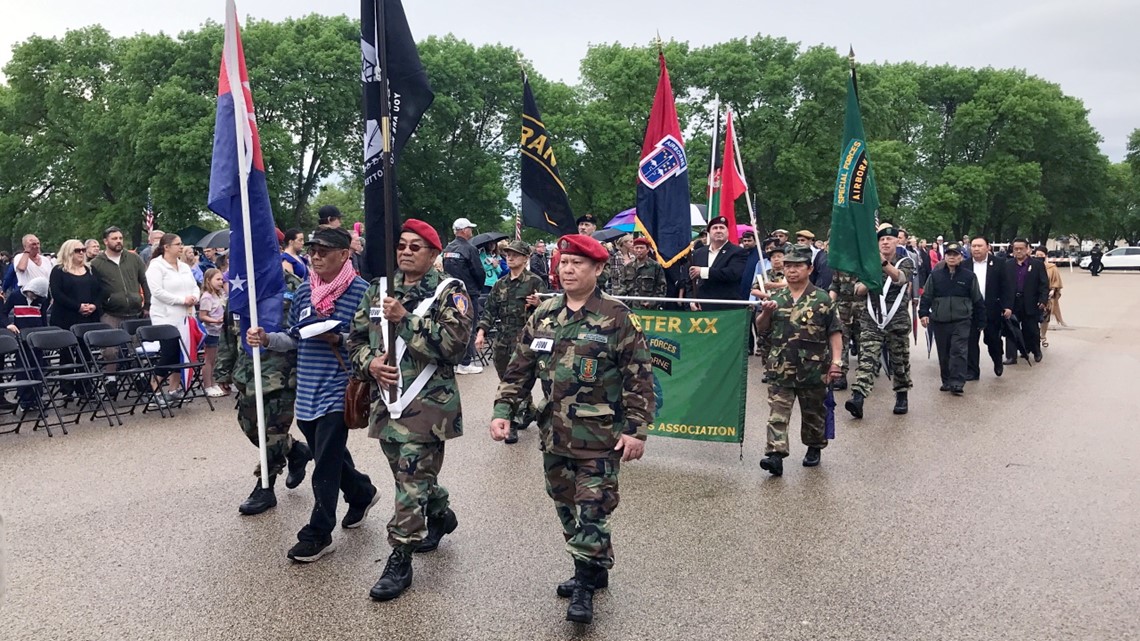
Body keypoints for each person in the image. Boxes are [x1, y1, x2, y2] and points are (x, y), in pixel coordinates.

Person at [490, 233, 653, 625]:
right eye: (564, 262)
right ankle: (594, 563)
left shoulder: (617, 317)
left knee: (594, 508)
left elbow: (640, 379)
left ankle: (583, 582)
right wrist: (503, 409)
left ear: (597, 268)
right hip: (554, 434)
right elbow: (519, 368)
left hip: (601, 437)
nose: (568, 269)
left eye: (578, 263)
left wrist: (636, 430)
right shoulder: (544, 314)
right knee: (565, 504)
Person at [347, 219, 471, 601]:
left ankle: (399, 559)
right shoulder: (378, 291)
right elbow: (353, 341)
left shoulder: (451, 291)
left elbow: (454, 347)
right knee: (410, 479)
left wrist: (406, 319)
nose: (405, 251)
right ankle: (440, 512)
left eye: (416, 247)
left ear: (434, 254)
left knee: (410, 480)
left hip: (429, 407)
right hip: (388, 407)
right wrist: (369, 363)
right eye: (401, 245)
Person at [247, 227, 377, 563]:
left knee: (327, 461)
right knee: (325, 453)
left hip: (340, 385)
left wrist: (340, 338)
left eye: (323, 250)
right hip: (307, 386)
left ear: (344, 254)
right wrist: (267, 338)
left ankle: (318, 533)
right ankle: (361, 492)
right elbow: (294, 337)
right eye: (312, 250)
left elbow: (372, 341)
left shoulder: (363, 292)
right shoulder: (305, 291)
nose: (315, 256)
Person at [215, 266, 313, 516]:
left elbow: (302, 330)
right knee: (250, 426)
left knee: (272, 432)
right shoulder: (240, 284)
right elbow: (229, 331)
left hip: (281, 374)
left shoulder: (293, 286)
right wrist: (223, 370)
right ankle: (295, 450)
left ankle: (264, 487)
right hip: (248, 373)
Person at [755, 244, 843, 476]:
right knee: (777, 414)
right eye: (788, 266)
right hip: (780, 367)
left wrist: (836, 362)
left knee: (813, 413)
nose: (792, 271)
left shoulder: (822, 299)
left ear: (809, 268)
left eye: (797, 266)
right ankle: (775, 455)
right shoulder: (777, 297)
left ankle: (814, 447)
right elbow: (761, 328)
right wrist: (765, 312)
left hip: (813, 368)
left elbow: (834, 332)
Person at [475, 239, 547, 444]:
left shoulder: (535, 282)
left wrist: (538, 303)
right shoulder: (500, 284)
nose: (510, 257)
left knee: (517, 381)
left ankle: (512, 423)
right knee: (505, 379)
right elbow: (489, 311)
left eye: (515, 254)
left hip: (524, 340)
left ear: (525, 258)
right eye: (508, 254)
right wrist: (481, 333)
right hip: (503, 340)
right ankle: (529, 409)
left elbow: (550, 311)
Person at [846, 223, 914, 418]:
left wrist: (883, 264)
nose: (885, 242)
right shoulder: (867, 264)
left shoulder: (905, 261)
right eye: (881, 239)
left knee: (899, 361)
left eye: (889, 239)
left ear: (897, 241)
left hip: (897, 320)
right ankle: (858, 397)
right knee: (867, 359)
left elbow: (900, 279)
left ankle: (901, 395)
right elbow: (857, 290)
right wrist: (869, 279)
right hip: (872, 318)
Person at [919, 243, 984, 395]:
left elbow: (977, 299)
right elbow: (927, 296)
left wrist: (981, 320)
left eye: (955, 254)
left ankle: (957, 382)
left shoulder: (969, 276)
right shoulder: (935, 276)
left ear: (961, 257)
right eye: (949, 254)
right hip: (940, 320)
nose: (952, 257)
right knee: (944, 352)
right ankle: (947, 380)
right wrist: (923, 313)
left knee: (959, 350)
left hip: (962, 320)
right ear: (945, 257)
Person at [145, 234, 200, 398]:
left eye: (181, 243)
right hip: (166, 317)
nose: (181, 247)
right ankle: (154, 386)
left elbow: (194, 286)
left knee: (182, 353)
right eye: (177, 244)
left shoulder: (184, 267)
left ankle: (174, 389)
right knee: (169, 352)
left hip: (186, 316)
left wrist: (194, 297)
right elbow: (157, 292)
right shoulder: (156, 266)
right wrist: (181, 300)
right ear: (166, 247)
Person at [48, 239, 103, 395]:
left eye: (83, 250)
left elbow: (100, 291)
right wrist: (78, 307)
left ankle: (85, 386)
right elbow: (57, 294)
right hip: (67, 316)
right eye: (77, 250)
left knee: (86, 352)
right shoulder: (59, 271)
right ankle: (66, 387)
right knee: (67, 353)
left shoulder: (90, 269)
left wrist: (94, 305)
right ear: (68, 252)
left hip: (88, 317)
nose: (81, 253)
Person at [442, 217, 484, 375]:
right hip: (468, 293)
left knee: (452, 326)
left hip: (450, 293)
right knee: (469, 327)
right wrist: (476, 288)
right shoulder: (470, 249)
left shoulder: (447, 249)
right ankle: (465, 363)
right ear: (464, 230)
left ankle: (453, 361)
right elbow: (479, 272)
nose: (471, 232)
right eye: (470, 229)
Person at [963, 237, 1009, 379]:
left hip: (992, 308)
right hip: (971, 309)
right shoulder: (964, 265)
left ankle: (997, 361)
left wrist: (1007, 306)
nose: (976, 249)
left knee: (992, 339)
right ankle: (973, 371)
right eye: (973, 246)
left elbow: (1006, 286)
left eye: (980, 246)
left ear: (988, 247)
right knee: (971, 341)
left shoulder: (999, 263)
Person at [1002, 239, 1049, 363]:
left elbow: (1044, 284)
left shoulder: (1037, 265)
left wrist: (1043, 300)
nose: (1018, 251)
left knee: (1031, 329)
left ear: (1028, 249)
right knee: (1011, 329)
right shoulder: (1007, 265)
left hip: (1030, 302)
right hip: (1012, 302)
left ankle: (1036, 351)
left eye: (1021, 248)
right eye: (1015, 248)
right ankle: (1011, 356)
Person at [688, 216, 747, 310]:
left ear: (727, 231)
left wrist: (703, 272)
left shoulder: (738, 252)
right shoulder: (698, 253)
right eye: (715, 228)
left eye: (722, 228)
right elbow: (690, 280)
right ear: (709, 233)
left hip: (726, 308)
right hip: (702, 308)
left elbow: (732, 273)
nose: (718, 231)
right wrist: (692, 300)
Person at [828, 269, 862, 390]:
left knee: (862, 342)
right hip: (843, 308)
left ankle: (864, 377)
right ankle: (840, 376)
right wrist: (829, 305)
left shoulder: (867, 261)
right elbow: (835, 286)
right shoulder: (841, 264)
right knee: (841, 340)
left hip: (863, 308)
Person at [197, 269, 228, 398]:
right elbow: (202, 316)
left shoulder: (220, 294)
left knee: (215, 359)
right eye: (217, 279)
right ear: (209, 280)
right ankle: (207, 385)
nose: (221, 282)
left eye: (221, 279)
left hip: (220, 330)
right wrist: (215, 320)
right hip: (211, 331)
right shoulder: (207, 297)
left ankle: (214, 382)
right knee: (209, 359)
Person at [614, 237, 666, 310]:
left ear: (647, 250)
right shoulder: (628, 267)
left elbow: (661, 288)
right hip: (630, 307)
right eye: (636, 248)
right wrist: (624, 302)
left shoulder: (655, 267)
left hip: (649, 309)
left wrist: (652, 302)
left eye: (641, 248)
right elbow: (622, 287)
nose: (639, 250)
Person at [1035, 246, 1066, 338]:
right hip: (1034, 295)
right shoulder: (1032, 266)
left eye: (1041, 255)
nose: (1039, 257)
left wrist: (1053, 290)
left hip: (1047, 296)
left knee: (1045, 317)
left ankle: (1043, 335)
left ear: (1046, 256)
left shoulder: (1052, 268)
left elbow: (1056, 281)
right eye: (1037, 255)